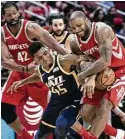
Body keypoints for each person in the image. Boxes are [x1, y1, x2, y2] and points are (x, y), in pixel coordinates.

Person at [1, 2, 66, 139]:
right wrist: (23, 68)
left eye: (14, 13)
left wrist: (69, 58)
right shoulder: (2, 33)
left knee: (60, 114)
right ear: (3, 17)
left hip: (40, 74)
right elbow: (5, 61)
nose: (12, 17)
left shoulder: (31, 27)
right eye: (8, 15)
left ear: (19, 13)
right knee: (4, 109)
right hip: (19, 74)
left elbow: (53, 44)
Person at [7, 42, 86, 139]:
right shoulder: (40, 70)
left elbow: (84, 59)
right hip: (56, 101)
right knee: (40, 135)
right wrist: (23, 82)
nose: (44, 58)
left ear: (48, 50)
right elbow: (39, 76)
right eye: (39, 58)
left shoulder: (64, 60)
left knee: (61, 125)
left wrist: (90, 79)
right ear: (35, 60)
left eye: (45, 53)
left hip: (74, 99)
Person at [69, 11, 125, 139]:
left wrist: (84, 75)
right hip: (99, 73)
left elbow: (106, 60)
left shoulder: (102, 30)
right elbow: (83, 61)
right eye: (73, 28)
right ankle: (119, 134)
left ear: (87, 21)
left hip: (120, 71)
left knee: (104, 106)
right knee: (86, 113)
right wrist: (89, 75)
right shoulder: (74, 42)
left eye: (79, 25)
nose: (77, 30)